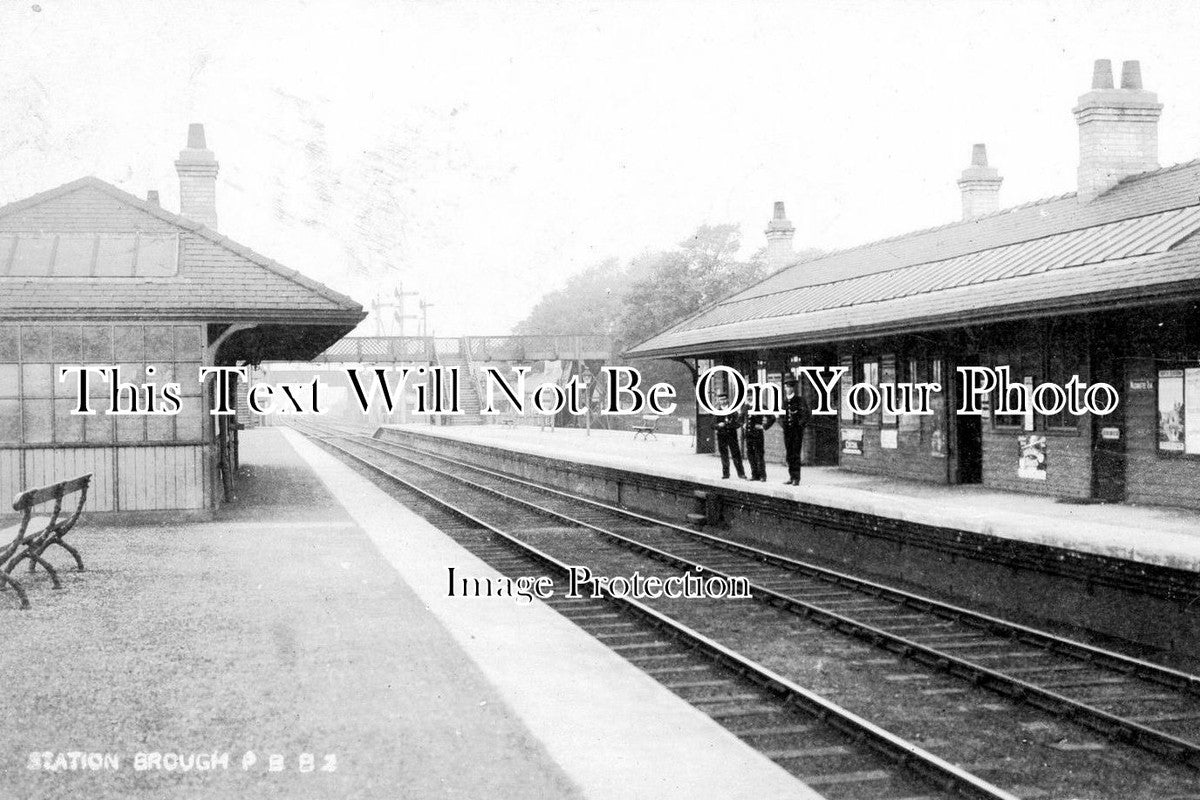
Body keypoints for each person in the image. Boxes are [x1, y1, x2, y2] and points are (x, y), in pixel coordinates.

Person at [780, 376, 811, 485]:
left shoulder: (800, 400)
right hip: (787, 432)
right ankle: (791, 476)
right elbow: (780, 416)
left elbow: (806, 415)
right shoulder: (784, 401)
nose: (787, 389)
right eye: (786, 387)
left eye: (789, 387)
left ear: (792, 388)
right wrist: (783, 425)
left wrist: (800, 425)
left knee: (795, 454)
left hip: (796, 432)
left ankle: (796, 478)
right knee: (789, 454)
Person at [712, 392, 747, 480]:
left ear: (727, 400)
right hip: (721, 436)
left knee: (736, 454)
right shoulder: (717, 412)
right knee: (724, 455)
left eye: (724, 399)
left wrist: (731, 425)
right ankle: (726, 474)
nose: (723, 401)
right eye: (721, 400)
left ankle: (741, 473)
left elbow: (739, 422)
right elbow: (712, 425)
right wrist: (718, 425)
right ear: (719, 401)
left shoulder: (733, 411)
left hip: (732, 435)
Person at [743, 407, 775, 481]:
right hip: (748, 434)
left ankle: (762, 476)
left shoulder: (761, 406)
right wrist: (743, 424)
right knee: (750, 455)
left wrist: (763, 426)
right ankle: (754, 475)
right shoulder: (745, 406)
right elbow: (740, 417)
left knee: (759, 454)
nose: (750, 400)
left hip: (757, 434)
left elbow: (772, 418)